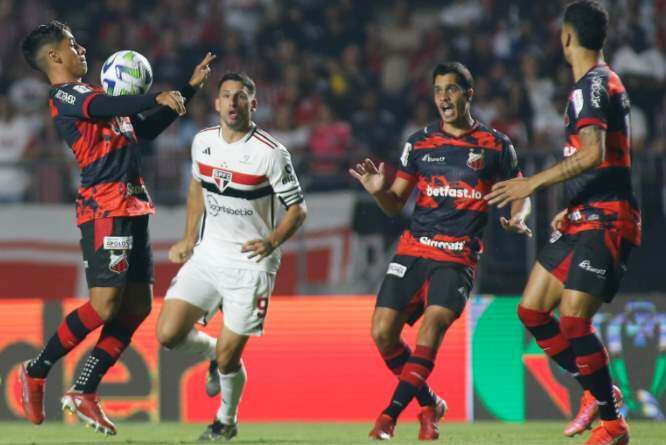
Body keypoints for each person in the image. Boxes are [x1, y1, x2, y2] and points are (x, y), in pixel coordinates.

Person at [18, 20, 215, 435]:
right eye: (72, 44)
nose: (81, 49)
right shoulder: (67, 95)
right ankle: (37, 370)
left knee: (138, 306)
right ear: (54, 57)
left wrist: (186, 93)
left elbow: (139, 129)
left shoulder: (101, 98)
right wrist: (152, 95)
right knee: (106, 305)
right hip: (104, 207)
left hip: (133, 203)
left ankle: (84, 389)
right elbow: (109, 108)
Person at [350, 62, 531, 440]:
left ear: (469, 93)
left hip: (457, 257)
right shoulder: (418, 143)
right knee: (382, 333)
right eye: (437, 90)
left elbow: (521, 191)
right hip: (414, 251)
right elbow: (395, 204)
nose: (444, 97)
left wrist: (518, 216)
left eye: (451, 89)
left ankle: (389, 416)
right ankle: (430, 403)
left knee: (431, 326)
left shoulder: (497, 145)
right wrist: (377, 190)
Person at [485, 2, 639, 444]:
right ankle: (598, 391)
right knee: (532, 309)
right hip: (582, 216)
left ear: (567, 37)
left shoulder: (591, 87)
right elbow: (594, 159)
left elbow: (592, 152)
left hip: (606, 218)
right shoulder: (598, 83)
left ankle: (613, 424)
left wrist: (530, 184)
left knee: (573, 322)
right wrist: (572, 201)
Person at [155, 72, 307, 441]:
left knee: (229, 357)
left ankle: (225, 420)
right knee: (168, 334)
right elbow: (197, 186)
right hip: (209, 254)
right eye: (226, 96)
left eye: (241, 97)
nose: (233, 103)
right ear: (217, 103)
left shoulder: (271, 153)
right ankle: (209, 353)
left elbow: (297, 210)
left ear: (253, 104)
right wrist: (189, 237)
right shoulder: (203, 141)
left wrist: (271, 242)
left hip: (251, 264)